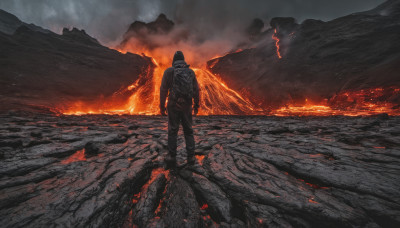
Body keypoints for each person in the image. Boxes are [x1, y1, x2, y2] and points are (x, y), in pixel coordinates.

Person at [160, 51, 200, 170]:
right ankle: (191, 156)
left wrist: (162, 106)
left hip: (173, 104)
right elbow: (196, 90)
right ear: (184, 60)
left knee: (173, 130)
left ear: (173, 60)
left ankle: (172, 156)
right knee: (188, 130)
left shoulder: (169, 72)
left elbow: (163, 90)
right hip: (187, 105)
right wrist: (196, 105)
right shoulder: (191, 72)